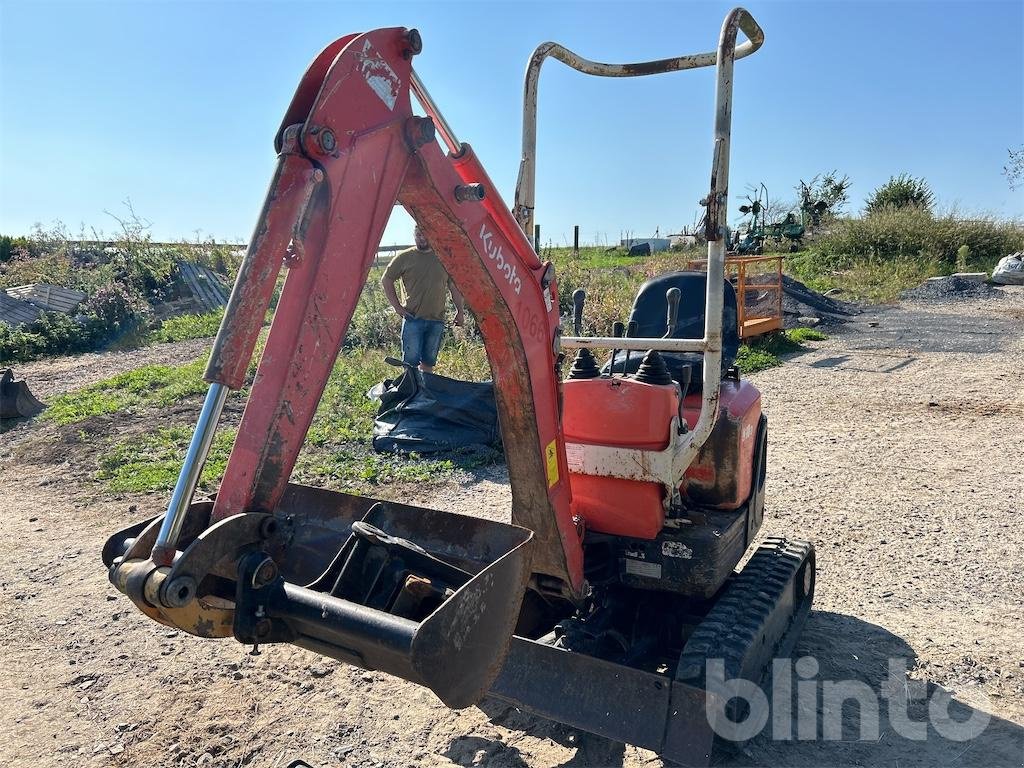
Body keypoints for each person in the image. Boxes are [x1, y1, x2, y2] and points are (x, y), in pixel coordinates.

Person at [381, 226, 465, 373]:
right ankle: (411, 392)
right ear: (414, 235)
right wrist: (397, 307)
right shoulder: (404, 257)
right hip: (413, 318)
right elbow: (386, 280)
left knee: (428, 362)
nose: (422, 238)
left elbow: (454, 288)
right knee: (410, 364)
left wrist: (460, 311)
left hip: (436, 320)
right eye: (419, 234)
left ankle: (424, 392)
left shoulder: (443, 258)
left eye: (425, 234)